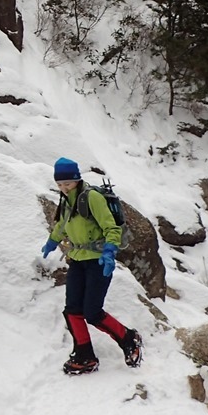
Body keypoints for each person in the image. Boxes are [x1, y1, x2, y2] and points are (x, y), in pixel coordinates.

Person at [42, 156, 143, 374]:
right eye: (60, 184)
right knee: (72, 311)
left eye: (67, 183)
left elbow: (112, 228)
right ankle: (85, 356)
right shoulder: (66, 199)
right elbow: (63, 223)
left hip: (98, 260)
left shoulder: (92, 198)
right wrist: (53, 240)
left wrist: (109, 252)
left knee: (92, 312)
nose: (64, 188)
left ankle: (129, 339)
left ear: (77, 179)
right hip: (78, 260)